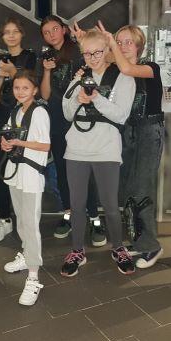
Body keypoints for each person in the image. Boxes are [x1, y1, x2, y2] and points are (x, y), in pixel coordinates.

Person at [79, 22, 165, 269]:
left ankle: (151, 246)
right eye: (120, 41)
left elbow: (127, 67)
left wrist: (110, 43)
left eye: (129, 42)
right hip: (126, 131)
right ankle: (138, 240)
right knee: (128, 189)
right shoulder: (115, 68)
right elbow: (95, 55)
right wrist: (86, 40)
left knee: (142, 188)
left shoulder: (149, 67)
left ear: (139, 45)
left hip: (149, 131)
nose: (124, 46)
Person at [60, 29, 135, 277]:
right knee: (77, 205)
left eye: (97, 52)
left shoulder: (123, 77)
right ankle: (77, 250)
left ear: (108, 50)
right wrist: (78, 100)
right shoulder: (79, 77)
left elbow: (121, 115)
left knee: (111, 205)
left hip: (107, 149)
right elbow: (67, 113)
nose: (92, 58)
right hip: (76, 149)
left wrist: (95, 99)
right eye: (87, 54)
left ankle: (119, 248)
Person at [40, 15, 105, 247]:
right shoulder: (46, 58)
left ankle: (94, 217)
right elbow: (45, 95)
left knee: (86, 171)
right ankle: (68, 213)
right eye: (46, 32)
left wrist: (84, 42)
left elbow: (98, 70)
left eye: (55, 29)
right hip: (57, 122)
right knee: (62, 170)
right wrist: (46, 71)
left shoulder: (79, 52)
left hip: (82, 120)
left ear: (64, 29)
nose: (51, 34)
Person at [0, 70, 50, 306]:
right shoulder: (16, 111)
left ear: (35, 90)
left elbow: (45, 145)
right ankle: (26, 254)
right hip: (16, 173)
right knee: (21, 220)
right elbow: (8, 135)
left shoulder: (39, 112)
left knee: (31, 225)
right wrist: (5, 143)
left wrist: (19, 142)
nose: (20, 92)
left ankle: (33, 276)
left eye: (25, 88)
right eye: (17, 87)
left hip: (30, 175)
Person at [0, 18, 36, 243]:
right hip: (3, 117)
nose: (11, 35)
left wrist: (13, 71)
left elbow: (33, 88)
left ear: (22, 34)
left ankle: (28, 219)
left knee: (26, 166)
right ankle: (5, 219)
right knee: (0, 167)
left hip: (26, 117)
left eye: (15, 31)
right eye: (6, 32)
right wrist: (1, 75)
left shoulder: (30, 57)